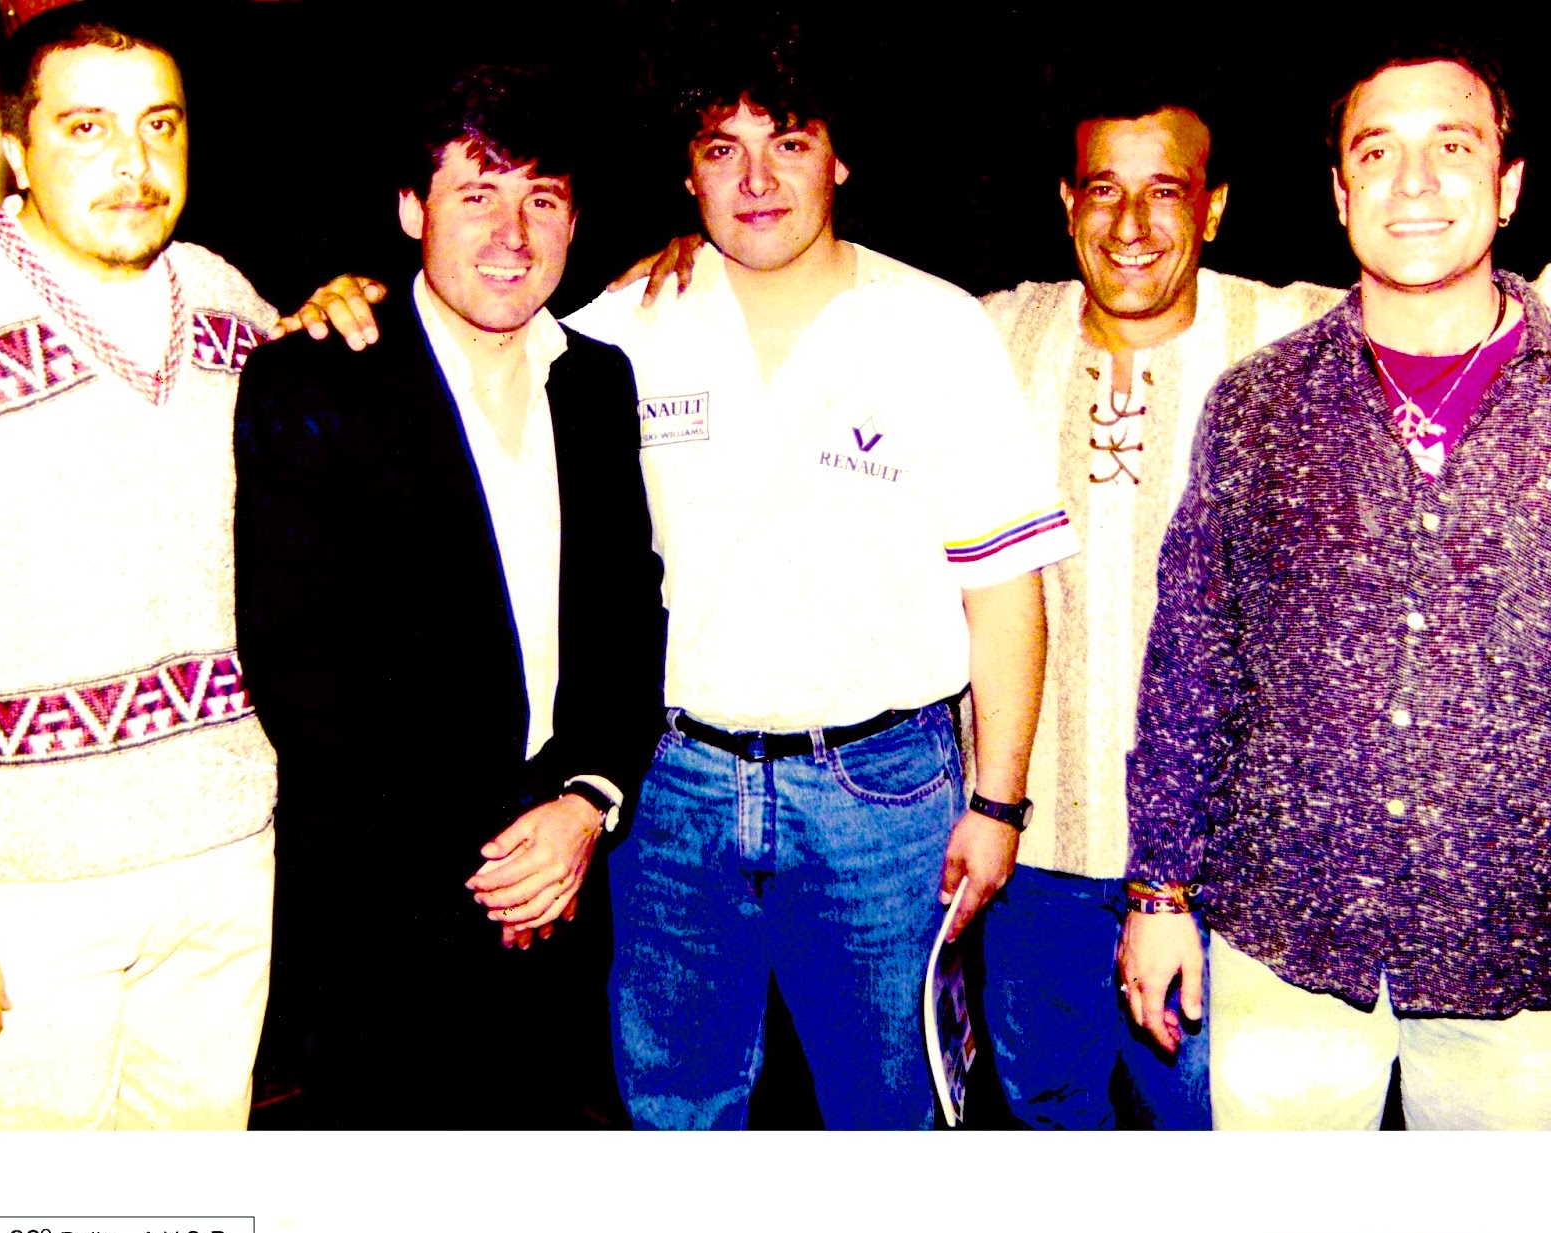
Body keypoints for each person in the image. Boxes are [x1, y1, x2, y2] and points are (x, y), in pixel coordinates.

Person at [562, 39, 1076, 1130]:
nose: (756, 180)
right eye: (722, 150)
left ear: (838, 160)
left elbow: (1004, 589)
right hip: (672, 789)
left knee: (890, 1111)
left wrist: (998, 804)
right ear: (687, 174)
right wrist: (348, 311)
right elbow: (472, 367)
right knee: (674, 1108)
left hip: (881, 795)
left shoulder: (934, 323)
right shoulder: (626, 320)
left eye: (788, 145)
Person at [1120, 41, 1551, 1129]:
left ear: (1506, 185)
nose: (1414, 183)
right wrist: (1159, 892)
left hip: (1521, 948)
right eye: (1377, 152)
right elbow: (1192, 664)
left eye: (1452, 147)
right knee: (1288, 1231)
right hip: (1289, 939)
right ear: (1339, 191)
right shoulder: (1258, 406)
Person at [232, 65, 665, 1128]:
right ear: (410, 209)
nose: (513, 234)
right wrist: (500, 853)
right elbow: (299, 667)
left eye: (542, 199)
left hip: (567, 878)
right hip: (387, 906)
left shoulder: (598, 382)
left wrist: (584, 805)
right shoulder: (315, 377)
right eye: (477, 195)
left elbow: (629, 618)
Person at [975, 85, 1341, 1128]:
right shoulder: (990, 335)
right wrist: (691, 258)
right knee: (1051, 1121)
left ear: (1213, 207)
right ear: (1066, 202)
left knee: (1209, 1135)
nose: (1130, 225)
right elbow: (832, 303)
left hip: (1222, 875)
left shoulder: (1294, 333)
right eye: (1103, 190)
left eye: (1165, 191)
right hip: (1032, 858)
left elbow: (1467, 305)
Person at [0, 3, 278, 1127]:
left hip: (225, 853)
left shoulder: (227, 297)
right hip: (18, 888)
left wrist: (347, 305)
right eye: (86, 127)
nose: (134, 163)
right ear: (13, 146)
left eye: (160, 125)